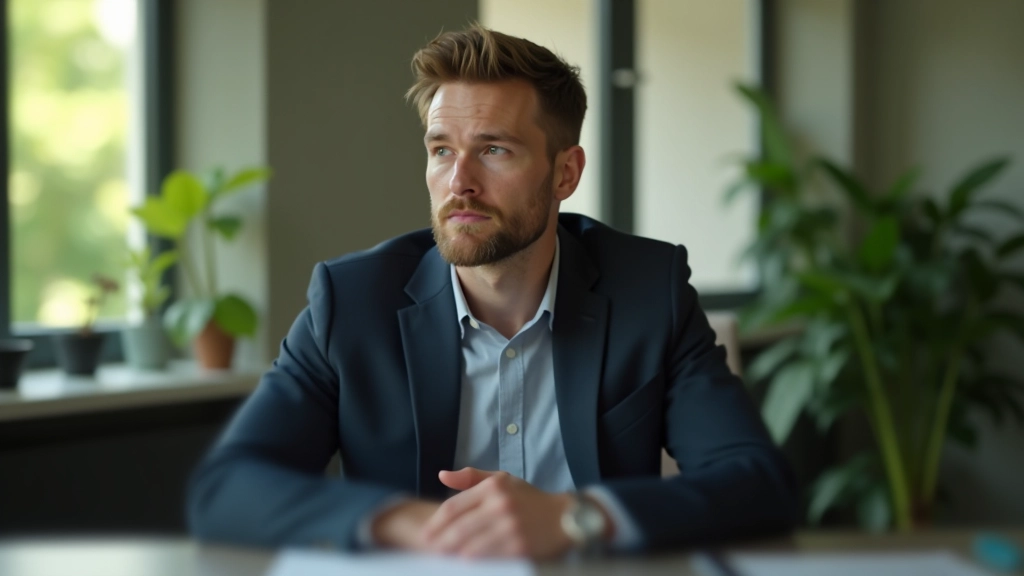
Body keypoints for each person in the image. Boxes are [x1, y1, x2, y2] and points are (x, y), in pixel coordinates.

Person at [187, 25, 797, 560]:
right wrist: (412, 525)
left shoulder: (647, 290)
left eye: (494, 150)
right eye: (441, 151)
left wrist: (573, 518)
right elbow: (228, 487)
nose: (460, 183)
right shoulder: (352, 304)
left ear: (566, 173)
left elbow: (757, 482)